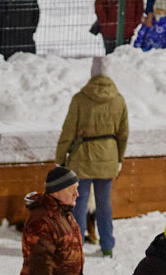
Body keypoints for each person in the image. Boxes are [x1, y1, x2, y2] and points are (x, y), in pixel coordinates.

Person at [55, 56, 128, 258]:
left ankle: (74, 245)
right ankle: (107, 245)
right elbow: (123, 133)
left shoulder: (80, 99)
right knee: (104, 204)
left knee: (79, 202)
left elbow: (68, 131)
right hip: (109, 157)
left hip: (82, 158)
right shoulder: (119, 100)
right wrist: (119, 159)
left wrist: (60, 158)